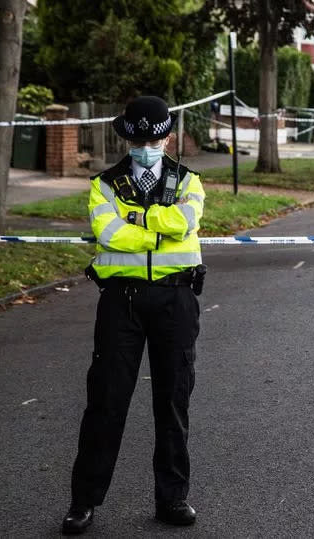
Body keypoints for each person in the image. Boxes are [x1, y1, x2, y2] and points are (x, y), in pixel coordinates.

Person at [61, 96, 206, 534]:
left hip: (176, 300)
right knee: (105, 401)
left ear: (168, 137)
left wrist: (136, 221)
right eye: (139, 138)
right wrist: (155, 226)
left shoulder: (190, 181)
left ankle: (173, 499)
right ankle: (83, 502)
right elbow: (109, 233)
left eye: (154, 137)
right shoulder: (104, 184)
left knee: (173, 401)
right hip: (120, 302)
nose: (147, 145)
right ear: (128, 137)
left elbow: (185, 222)